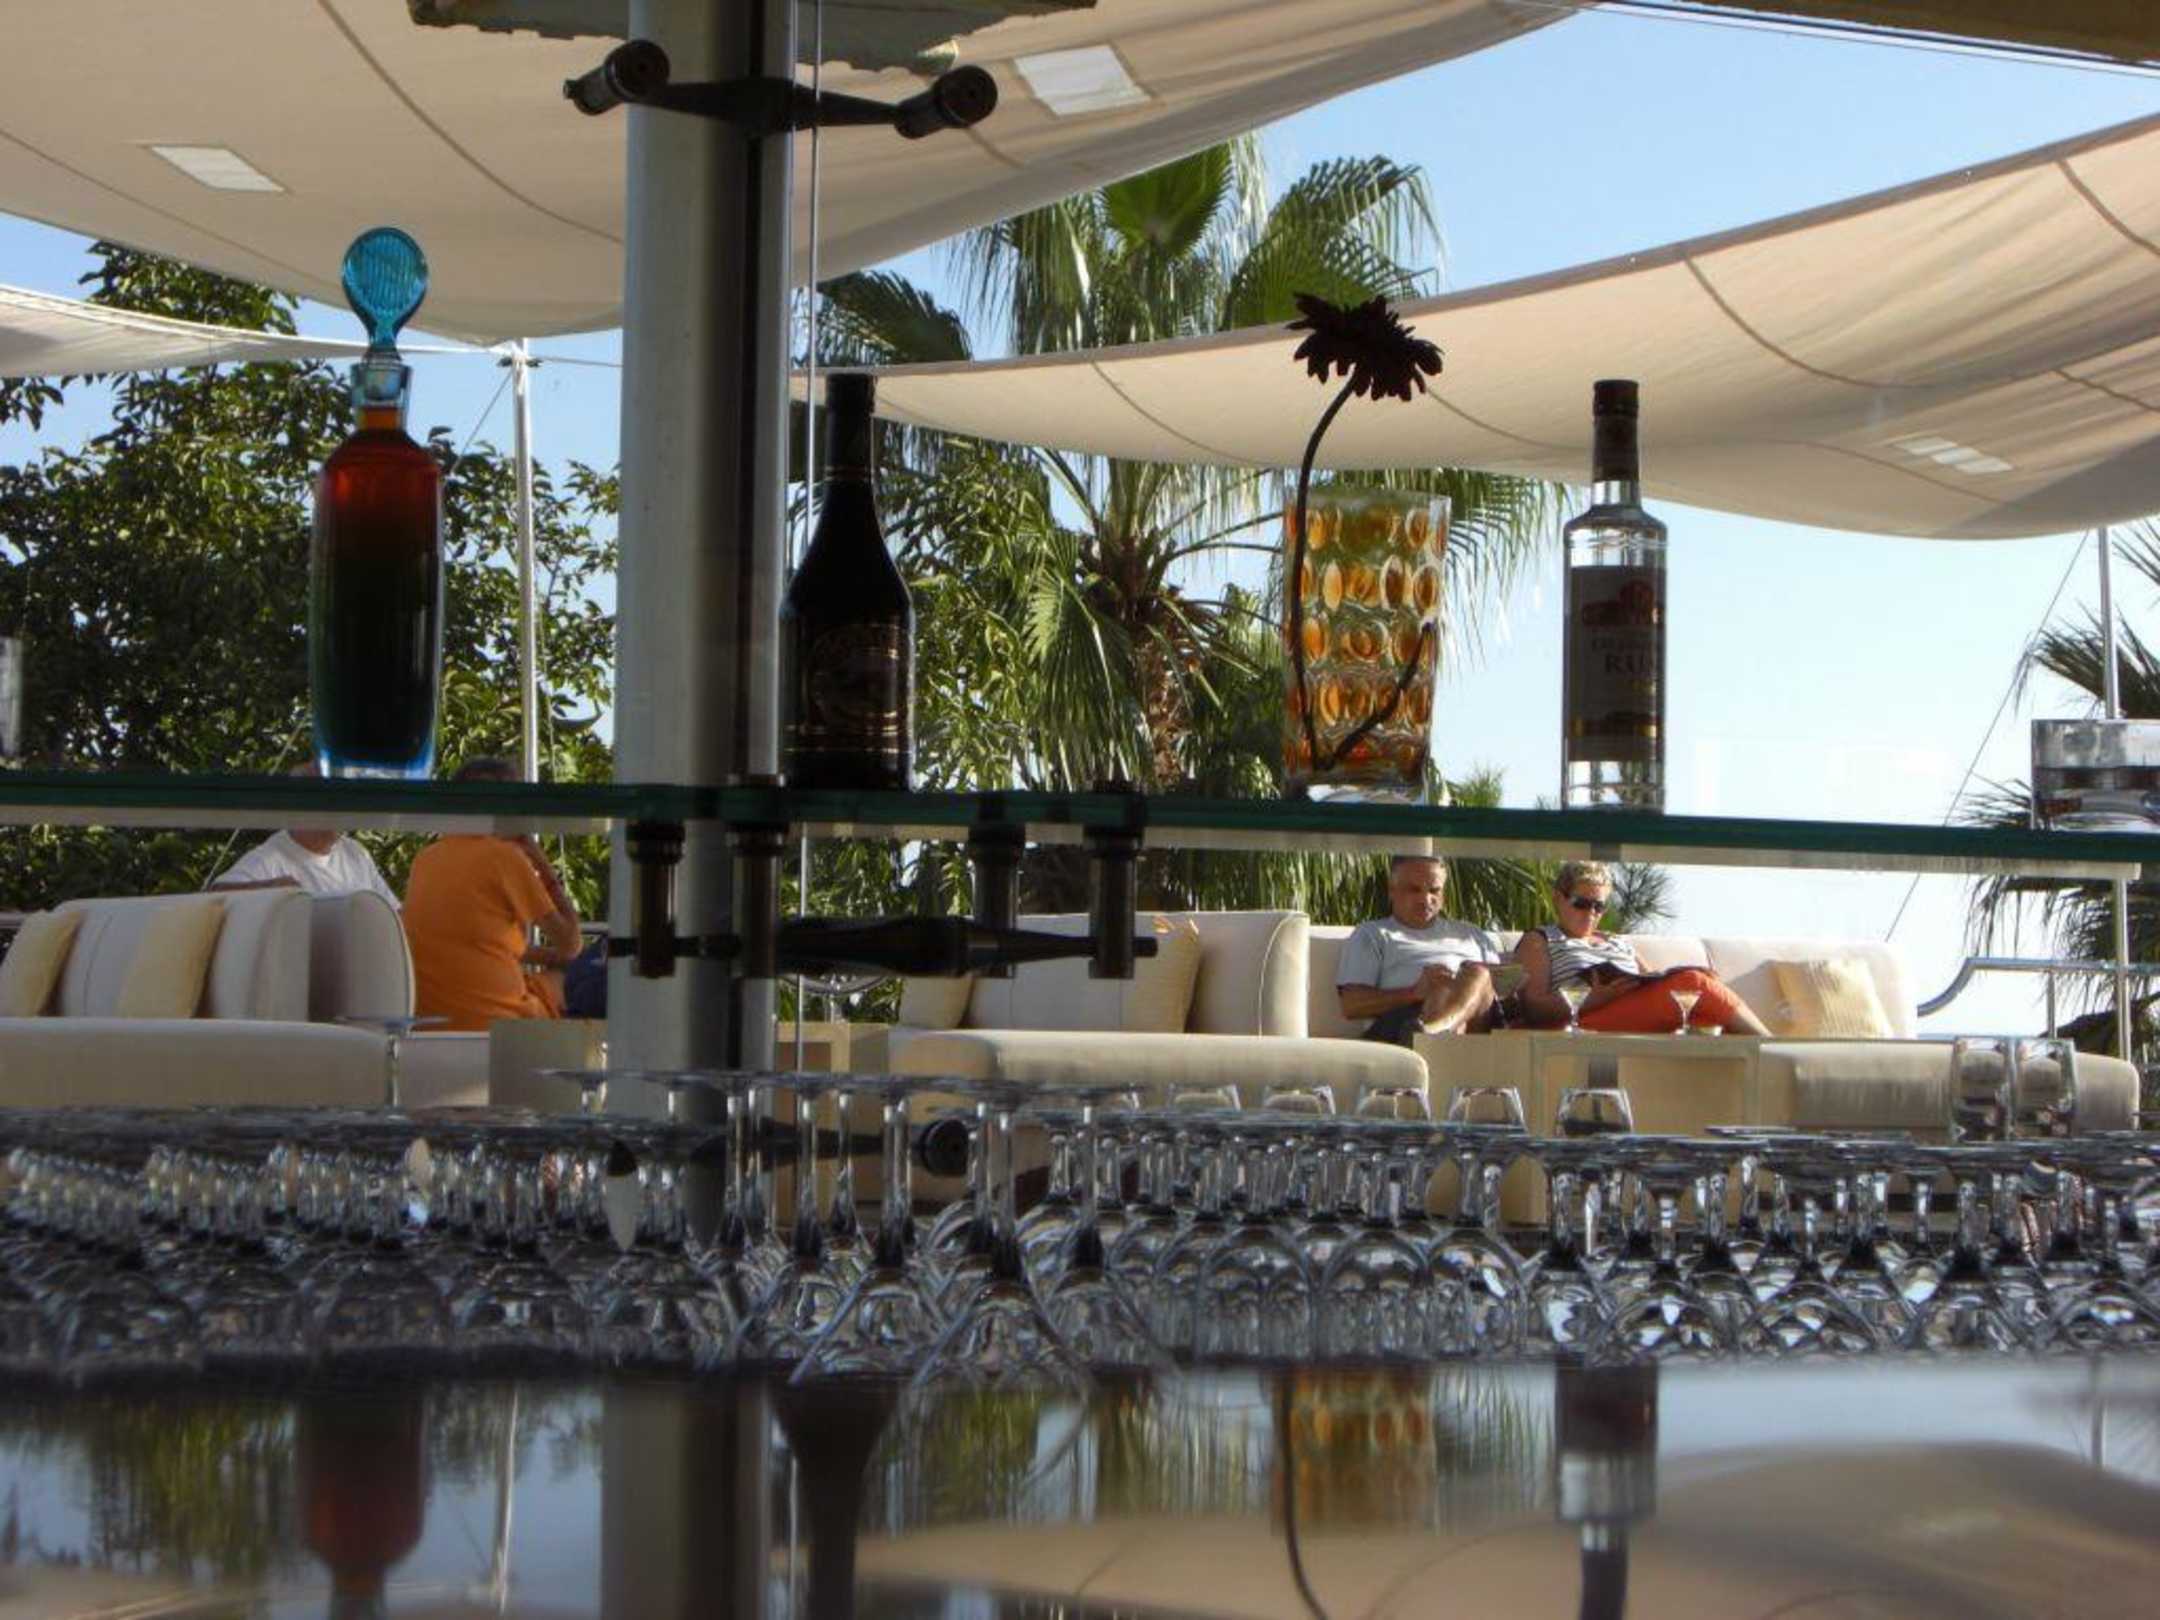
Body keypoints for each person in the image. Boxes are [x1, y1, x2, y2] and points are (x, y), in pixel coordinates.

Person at [401, 757, 583, 1032]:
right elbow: (571, 945)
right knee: (570, 978)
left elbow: (474, 943)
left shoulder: (425, 859)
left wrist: (547, 956)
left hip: (430, 1024)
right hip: (497, 1024)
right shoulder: (503, 858)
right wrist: (538, 858)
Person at [1513, 860, 1769, 1035]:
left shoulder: (1615, 941)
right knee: (1693, 983)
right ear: (1559, 898)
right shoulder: (1541, 940)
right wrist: (1594, 998)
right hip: (1584, 1020)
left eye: (1599, 906)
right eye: (1582, 903)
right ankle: (1771, 1045)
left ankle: (1764, 1062)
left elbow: (1652, 980)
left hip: (1632, 1014)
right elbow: (1533, 1006)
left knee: (1702, 1011)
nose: (1591, 913)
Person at [1335, 854, 1501, 1045]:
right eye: (1414, 890)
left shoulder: (1472, 934)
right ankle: (1435, 1034)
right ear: (1392, 891)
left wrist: (1462, 985)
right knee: (1441, 991)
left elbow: (1501, 990)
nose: (1425, 899)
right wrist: (1414, 992)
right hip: (1404, 1023)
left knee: (1479, 974)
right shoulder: (1372, 934)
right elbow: (1352, 1005)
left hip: (1475, 1025)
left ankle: (1434, 1032)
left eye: (1434, 890)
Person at [211, 763, 398, 906]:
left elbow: (395, 914)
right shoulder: (271, 858)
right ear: (297, 804)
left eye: (342, 797)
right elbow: (212, 897)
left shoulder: (355, 852)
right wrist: (270, 889)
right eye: (325, 798)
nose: (338, 807)